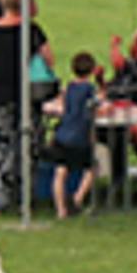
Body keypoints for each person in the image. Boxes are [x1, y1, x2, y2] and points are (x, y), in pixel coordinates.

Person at [0, 0, 52, 215]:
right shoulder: (32, 30)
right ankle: (27, 196)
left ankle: (3, 198)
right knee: (28, 147)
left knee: (1, 150)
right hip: (28, 96)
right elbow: (49, 59)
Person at [43, 51, 98, 219]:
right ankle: (77, 198)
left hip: (62, 135)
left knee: (60, 172)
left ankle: (61, 210)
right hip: (80, 137)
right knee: (91, 168)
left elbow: (61, 104)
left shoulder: (69, 88)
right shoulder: (89, 89)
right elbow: (94, 106)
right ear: (93, 70)